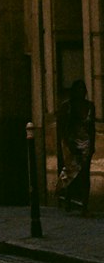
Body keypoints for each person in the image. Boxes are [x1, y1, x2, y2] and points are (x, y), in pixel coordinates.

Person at [57, 78, 96, 213]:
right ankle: (68, 201)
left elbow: (92, 127)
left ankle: (84, 204)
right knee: (71, 171)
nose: (81, 92)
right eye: (78, 89)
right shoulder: (67, 106)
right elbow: (62, 127)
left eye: (82, 89)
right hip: (71, 141)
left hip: (85, 141)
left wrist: (92, 145)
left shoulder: (90, 106)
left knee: (85, 173)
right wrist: (67, 143)